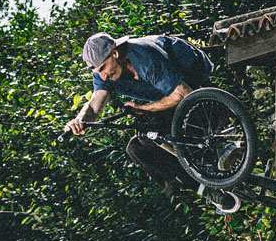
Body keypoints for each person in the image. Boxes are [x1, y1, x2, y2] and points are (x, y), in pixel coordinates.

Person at [65, 32, 230, 205]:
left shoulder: (142, 55)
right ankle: (207, 189)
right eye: (98, 72)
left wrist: (142, 108)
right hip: (172, 99)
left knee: (173, 124)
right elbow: (95, 104)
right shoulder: (104, 72)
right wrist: (79, 120)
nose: (103, 76)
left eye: (103, 68)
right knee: (138, 147)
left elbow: (184, 94)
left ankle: (220, 147)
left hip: (198, 88)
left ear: (114, 53)